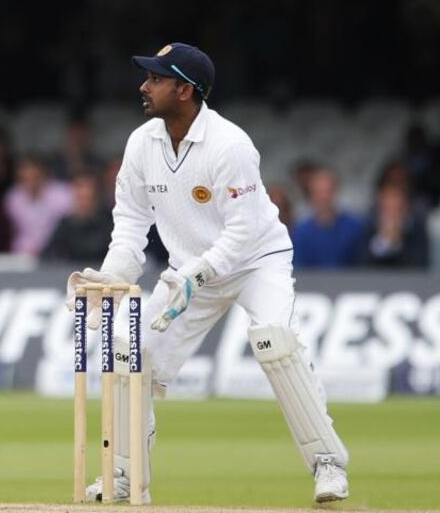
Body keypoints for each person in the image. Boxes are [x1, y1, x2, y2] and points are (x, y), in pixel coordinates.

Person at [67, 44, 348, 504]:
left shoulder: (230, 145)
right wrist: (111, 279)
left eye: (155, 79)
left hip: (256, 262)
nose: (144, 85)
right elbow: (131, 225)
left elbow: (243, 231)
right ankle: (123, 476)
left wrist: (199, 273)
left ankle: (328, 464)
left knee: (274, 340)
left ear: (184, 89)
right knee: (126, 350)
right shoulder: (142, 143)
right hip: (188, 272)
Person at [291, 167, 364, 268]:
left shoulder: (354, 227)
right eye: (318, 192)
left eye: (327, 191)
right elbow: (301, 271)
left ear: (336, 192)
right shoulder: (301, 232)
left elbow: (362, 267)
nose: (323, 197)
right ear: (311, 195)